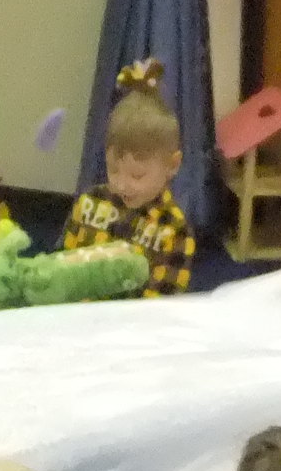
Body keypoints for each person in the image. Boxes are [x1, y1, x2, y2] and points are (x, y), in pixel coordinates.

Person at [61, 57, 196, 296]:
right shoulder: (90, 202)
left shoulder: (173, 229)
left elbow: (162, 300)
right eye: (113, 170)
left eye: (137, 175)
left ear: (172, 165)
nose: (122, 185)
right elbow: (64, 265)